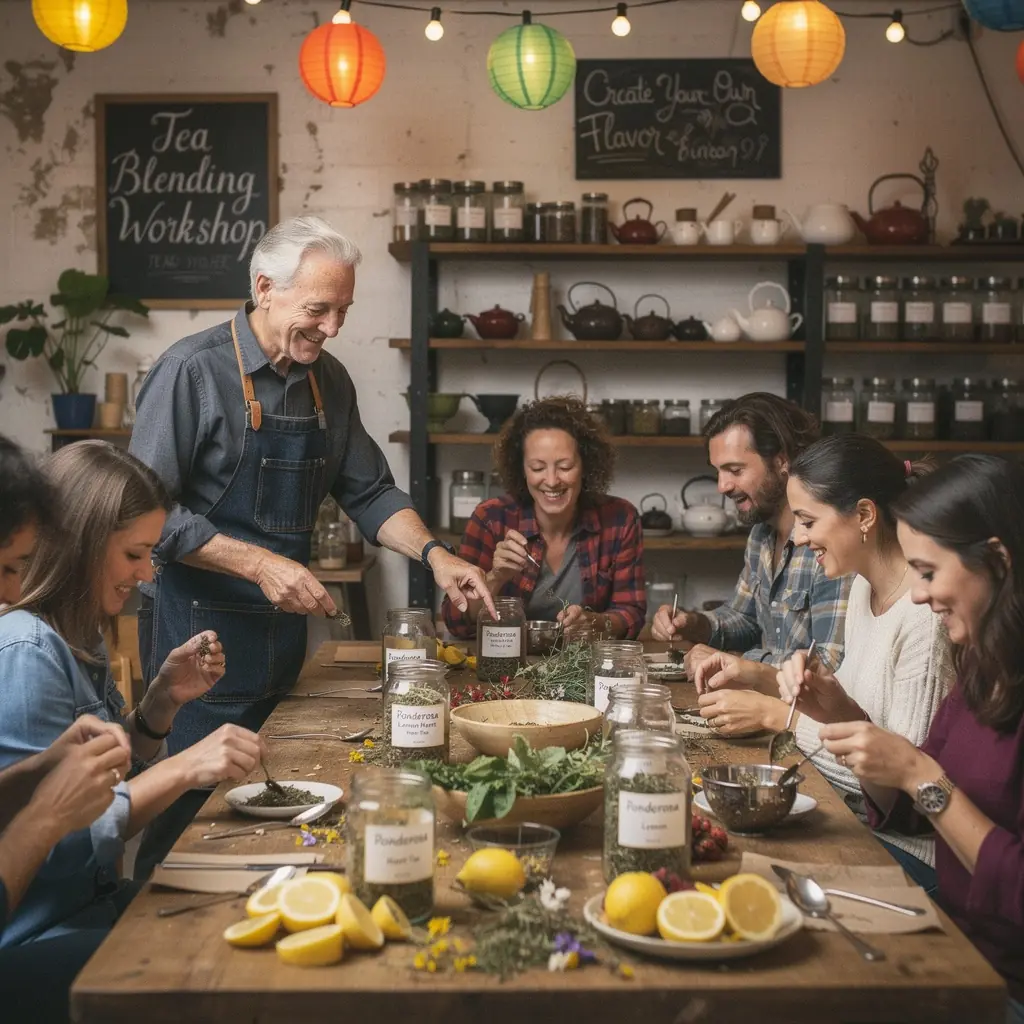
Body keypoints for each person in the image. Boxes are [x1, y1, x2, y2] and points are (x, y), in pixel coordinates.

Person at [129, 216, 493, 872]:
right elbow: (144, 515)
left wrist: (437, 555)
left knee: (272, 817)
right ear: (265, 288)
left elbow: (371, 491)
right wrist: (259, 563)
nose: (333, 328)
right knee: (190, 825)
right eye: (319, 309)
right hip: (197, 648)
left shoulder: (330, 381)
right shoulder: (191, 371)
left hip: (282, 645)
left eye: (343, 311)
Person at [0, 442, 267, 956]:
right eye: (133, 554)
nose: (147, 574)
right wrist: (185, 768)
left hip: (91, 905)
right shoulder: (26, 650)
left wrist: (159, 703)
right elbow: (58, 842)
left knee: (248, 907)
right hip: (39, 936)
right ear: (79, 545)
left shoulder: (81, 634)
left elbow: (103, 780)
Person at [815, 455, 1024, 1020]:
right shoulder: (981, 664)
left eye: (928, 573)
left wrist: (918, 773)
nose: (917, 595)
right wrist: (857, 737)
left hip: (998, 984)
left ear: (998, 561)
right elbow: (911, 814)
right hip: (951, 944)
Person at [696, 435, 953, 889]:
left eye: (808, 521)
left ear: (865, 515)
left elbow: (907, 798)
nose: (798, 537)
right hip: (857, 823)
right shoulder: (863, 587)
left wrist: (783, 719)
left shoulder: (923, 618)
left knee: (740, 874)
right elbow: (855, 717)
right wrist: (814, 692)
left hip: (914, 855)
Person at [0, 435, 136, 1024]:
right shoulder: (25, 644)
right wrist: (46, 814)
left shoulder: (75, 638)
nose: (12, 592)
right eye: (5, 566)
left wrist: (40, 769)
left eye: (19, 567)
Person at [650, 393, 850, 686]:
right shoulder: (761, 533)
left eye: (735, 470)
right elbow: (744, 620)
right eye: (718, 471)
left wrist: (740, 662)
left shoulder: (827, 538)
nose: (722, 486)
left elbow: (828, 665)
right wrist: (692, 623)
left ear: (782, 461)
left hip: (803, 712)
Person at [442, 396, 645, 640]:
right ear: (522, 470)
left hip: (584, 660)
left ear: (586, 466)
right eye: (537, 468)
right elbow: (457, 621)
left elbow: (631, 612)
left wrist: (596, 623)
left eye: (565, 467)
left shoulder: (620, 519)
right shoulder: (490, 519)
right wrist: (495, 577)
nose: (551, 481)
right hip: (505, 658)